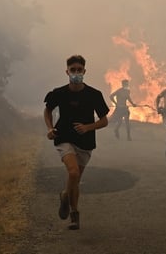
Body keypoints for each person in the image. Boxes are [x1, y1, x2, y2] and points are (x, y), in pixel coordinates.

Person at [43, 55, 110, 230]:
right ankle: (70, 204)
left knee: (76, 180)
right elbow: (48, 110)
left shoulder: (94, 95)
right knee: (73, 173)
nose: (76, 73)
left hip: (85, 142)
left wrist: (88, 127)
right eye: (73, 70)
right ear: (67, 72)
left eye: (79, 70)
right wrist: (50, 128)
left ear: (84, 71)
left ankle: (71, 207)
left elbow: (104, 121)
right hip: (64, 137)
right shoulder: (58, 93)